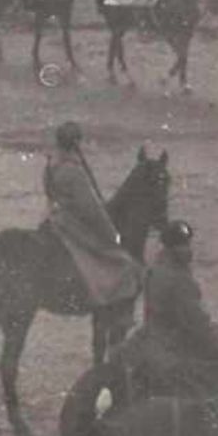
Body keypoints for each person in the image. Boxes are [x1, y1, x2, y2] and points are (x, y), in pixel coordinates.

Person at [115, 220, 218, 398]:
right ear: (172, 248)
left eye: (187, 244)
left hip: (149, 337)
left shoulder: (153, 269)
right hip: (172, 345)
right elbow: (196, 323)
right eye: (183, 246)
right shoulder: (180, 281)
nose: (188, 250)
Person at [42, 123, 143, 320]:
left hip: (53, 219)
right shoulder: (73, 171)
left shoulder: (51, 166)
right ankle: (111, 307)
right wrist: (111, 233)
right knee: (119, 263)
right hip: (72, 225)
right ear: (76, 143)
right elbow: (91, 209)